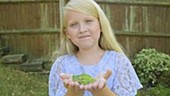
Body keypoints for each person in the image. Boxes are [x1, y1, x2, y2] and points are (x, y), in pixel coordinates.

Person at [49, 0, 143, 96]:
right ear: (67, 33)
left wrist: (101, 91)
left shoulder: (119, 62)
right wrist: (73, 93)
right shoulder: (61, 66)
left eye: (88, 21)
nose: (82, 29)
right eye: (74, 25)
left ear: (101, 25)